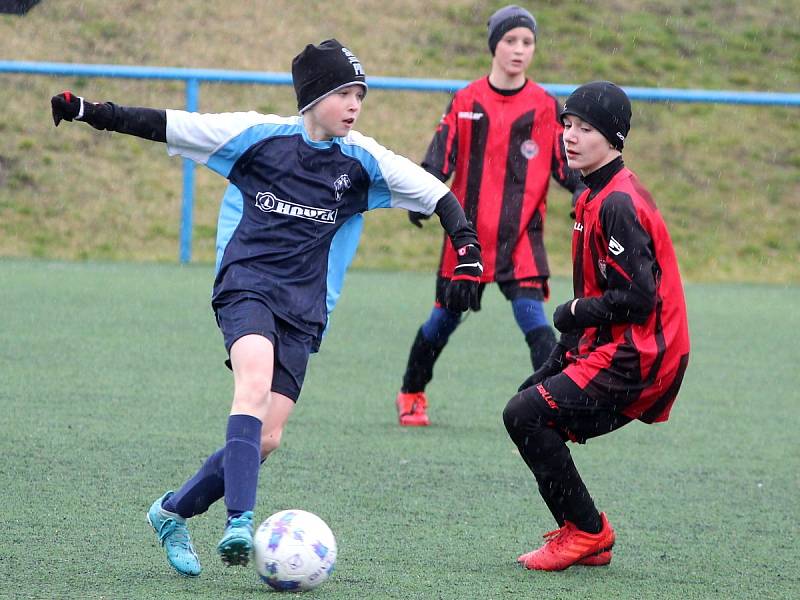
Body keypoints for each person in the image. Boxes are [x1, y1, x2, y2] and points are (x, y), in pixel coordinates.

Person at [50, 39, 483, 578]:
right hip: (247, 284)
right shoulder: (257, 138)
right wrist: (92, 112)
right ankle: (239, 521)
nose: (355, 105)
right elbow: (171, 124)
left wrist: (467, 250)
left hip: (303, 306)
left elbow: (439, 195)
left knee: (268, 435)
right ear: (313, 96)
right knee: (251, 388)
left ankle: (171, 512)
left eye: (361, 96)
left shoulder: (365, 162)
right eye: (345, 93)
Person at [502, 81, 690, 571]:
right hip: (623, 348)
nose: (571, 135)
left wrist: (573, 311)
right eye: (567, 124)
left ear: (614, 139)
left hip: (642, 354)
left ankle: (586, 531)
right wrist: (558, 357)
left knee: (526, 415)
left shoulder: (617, 202)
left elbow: (638, 297)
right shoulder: (593, 194)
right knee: (525, 412)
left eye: (586, 128)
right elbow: (601, 290)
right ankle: (587, 534)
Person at [395, 4, 584, 427]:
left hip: (522, 238)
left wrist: (586, 191)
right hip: (468, 240)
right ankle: (411, 391)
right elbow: (438, 160)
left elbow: (566, 168)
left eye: (527, 42)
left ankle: (553, 405)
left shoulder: (546, 107)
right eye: (511, 41)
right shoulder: (465, 100)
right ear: (494, 46)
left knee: (536, 324)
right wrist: (418, 196)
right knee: (443, 319)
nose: (519, 50)